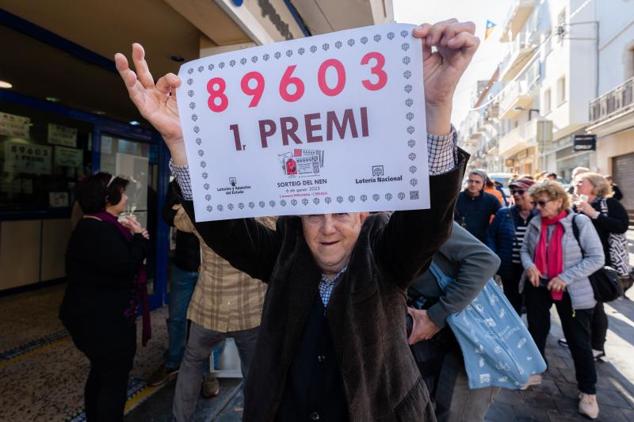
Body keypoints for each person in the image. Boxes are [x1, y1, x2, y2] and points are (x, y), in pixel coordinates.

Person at [115, 19, 478, 421]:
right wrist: (180, 145)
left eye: (341, 211)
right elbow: (224, 229)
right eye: (313, 214)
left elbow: (427, 225)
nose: (327, 228)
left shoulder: (387, 259)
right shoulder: (284, 256)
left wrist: (435, 107)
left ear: (363, 212)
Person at [171, 203, 275, 421]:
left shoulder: (206, 209)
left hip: (208, 306)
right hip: (250, 309)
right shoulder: (261, 210)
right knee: (254, 374)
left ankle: (181, 418)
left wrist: (184, 205)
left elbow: (180, 221)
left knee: (191, 363)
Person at [59, 173, 150, 421]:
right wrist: (140, 238)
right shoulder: (98, 231)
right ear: (108, 197)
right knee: (113, 380)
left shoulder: (94, 225)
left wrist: (132, 236)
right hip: (103, 322)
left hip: (93, 317)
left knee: (101, 372)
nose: (127, 195)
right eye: (122, 191)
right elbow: (126, 265)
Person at [520, 181, 604, 419]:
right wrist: (530, 266)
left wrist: (566, 277)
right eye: (534, 202)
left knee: (578, 341)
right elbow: (525, 250)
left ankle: (588, 391)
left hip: (573, 291)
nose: (537, 207)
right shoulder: (535, 222)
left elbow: (596, 257)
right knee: (536, 330)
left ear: (559, 201)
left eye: (542, 202)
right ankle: (536, 370)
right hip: (539, 286)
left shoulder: (580, 222)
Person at [408, 222, 500, 422]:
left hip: (472, 337)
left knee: (457, 413)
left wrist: (437, 315)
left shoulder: (409, 215)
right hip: (439, 341)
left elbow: (485, 260)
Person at [148, 180, 201, 387]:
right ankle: (173, 362)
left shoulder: (220, 176)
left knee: (211, 323)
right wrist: (197, 215)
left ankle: (208, 373)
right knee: (177, 317)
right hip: (184, 263)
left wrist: (184, 211)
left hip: (214, 267)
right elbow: (167, 214)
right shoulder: (179, 181)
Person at [572, 173, 630, 361]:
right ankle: (582, 338)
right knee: (583, 303)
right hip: (578, 260)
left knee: (596, 304)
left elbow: (621, 226)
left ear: (595, 186)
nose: (577, 184)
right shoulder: (576, 204)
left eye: (582, 182)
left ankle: (597, 345)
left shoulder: (609, 204)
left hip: (601, 262)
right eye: (576, 181)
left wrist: (593, 214)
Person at [486, 177, 536, 314]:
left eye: (521, 191)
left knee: (535, 309)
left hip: (533, 271)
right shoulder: (504, 214)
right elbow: (490, 237)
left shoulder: (540, 215)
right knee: (512, 307)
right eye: (513, 191)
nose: (515, 194)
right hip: (509, 269)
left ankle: (533, 335)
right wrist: (496, 259)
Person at [454, 169, 501, 242]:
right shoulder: (457, 198)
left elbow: (502, 217)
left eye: (477, 182)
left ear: (483, 184)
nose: (473, 184)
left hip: (481, 242)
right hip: (459, 240)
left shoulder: (491, 200)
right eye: (471, 181)